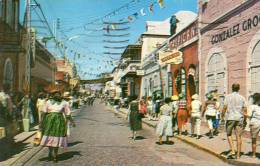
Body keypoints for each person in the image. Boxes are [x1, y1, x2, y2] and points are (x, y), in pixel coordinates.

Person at [40, 86, 75, 163]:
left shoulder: (64, 103)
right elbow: (43, 113)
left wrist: (72, 122)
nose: (57, 95)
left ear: (60, 95)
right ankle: (50, 151)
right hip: (48, 122)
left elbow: (68, 113)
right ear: (52, 95)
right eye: (55, 94)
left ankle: (55, 155)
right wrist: (41, 123)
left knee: (56, 138)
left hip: (59, 122)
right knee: (49, 138)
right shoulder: (48, 102)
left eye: (58, 94)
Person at [222, 83, 247, 159]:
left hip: (230, 117)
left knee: (229, 134)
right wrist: (245, 120)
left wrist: (222, 116)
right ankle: (238, 155)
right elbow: (245, 110)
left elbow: (225, 107)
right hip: (239, 118)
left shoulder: (228, 97)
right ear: (239, 89)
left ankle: (233, 150)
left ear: (232, 88)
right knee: (238, 136)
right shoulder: (242, 97)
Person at [248, 93, 260, 159]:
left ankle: (254, 155)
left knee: (254, 139)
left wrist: (243, 114)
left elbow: (249, 115)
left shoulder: (252, 106)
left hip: (255, 123)